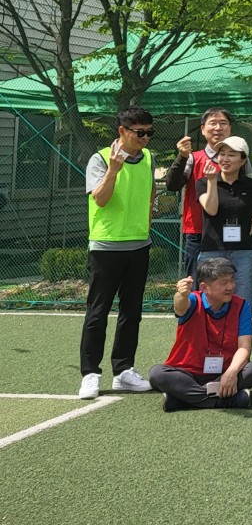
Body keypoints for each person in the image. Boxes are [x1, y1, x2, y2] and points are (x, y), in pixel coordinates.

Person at [78, 105, 156, 399]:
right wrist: (113, 169)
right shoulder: (99, 159)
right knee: (97, 313)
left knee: (132, 312)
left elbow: (150, 192)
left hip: (139, 246)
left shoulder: (149, 158)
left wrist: (147, 221)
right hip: (106, 247)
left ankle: (123, 371)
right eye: (140, 133)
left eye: (149, 133)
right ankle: (90, 374)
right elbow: (100, 199)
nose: (145, 138)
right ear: (122, 131)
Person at [149, 257, 252, 411]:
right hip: (187, 373)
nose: (231, 286)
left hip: (223, 372)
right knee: (157, 374)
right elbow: (180, 307)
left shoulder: (241, 306)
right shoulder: (193, 300)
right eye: (224, 283)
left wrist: (231, 372)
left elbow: (244, 347)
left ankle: (183, 400)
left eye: (232, 280)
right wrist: (181, 294)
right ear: (204, 287)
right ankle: (225, 400)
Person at [164, 107, 238, 279]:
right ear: (203, 129)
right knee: (197, 282)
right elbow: (172, 185)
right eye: (213, 123)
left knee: (229, 283)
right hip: (199, 232)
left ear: (230, 129)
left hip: (231, 231)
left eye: (223, 123)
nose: (218, 128)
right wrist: (182, 156)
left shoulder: (240, 159)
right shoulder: (193, 158)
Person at [194, 135, 252, 301]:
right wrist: (212, 181)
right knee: (210, 299)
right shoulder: (203, 183)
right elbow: (211, 209)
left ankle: (241, 321)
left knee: (242, 299)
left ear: (243, 161)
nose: (225, 159)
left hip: (244, 251)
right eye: (222, 154)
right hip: (212, 249)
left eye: (232, 155)